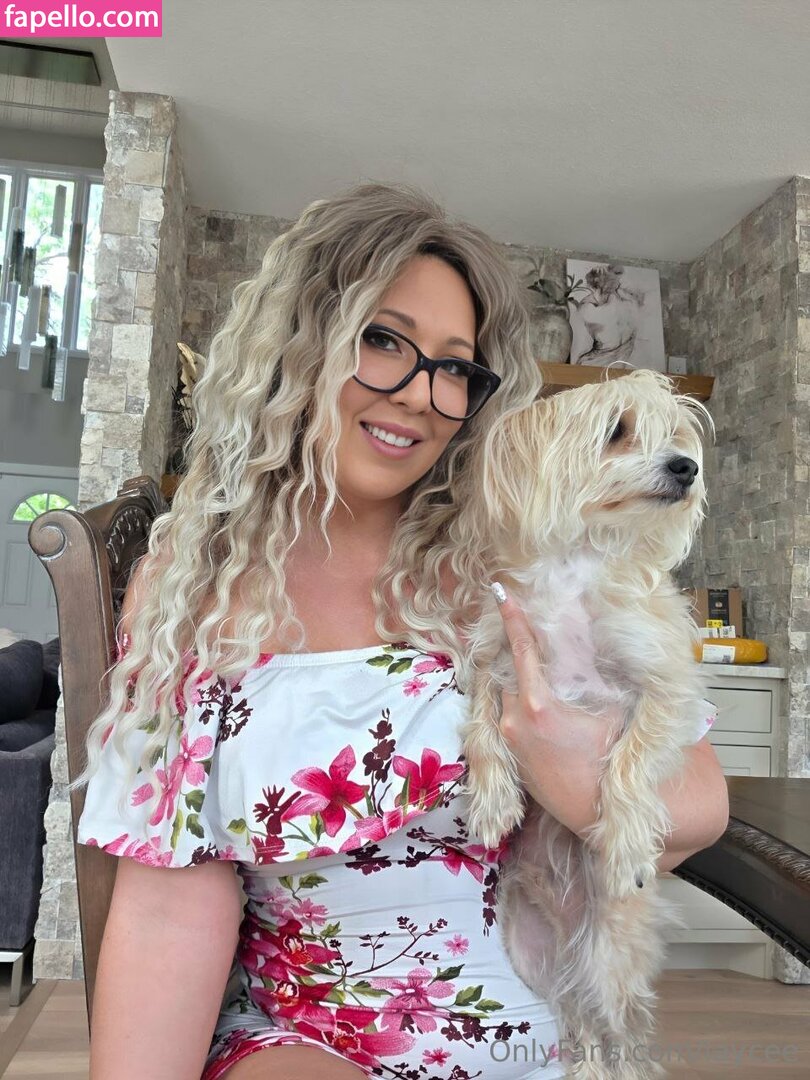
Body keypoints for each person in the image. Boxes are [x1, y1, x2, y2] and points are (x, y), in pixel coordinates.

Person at [72, 181, 729, 1080]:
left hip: (558, 1035)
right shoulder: (197, 592)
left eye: (455, 368)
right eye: (383, 339)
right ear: (297, 346)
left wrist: (572, 774)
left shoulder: (522, 570)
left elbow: (697, 811)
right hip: (318, 1041)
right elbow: (168, 906)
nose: (422, 394)